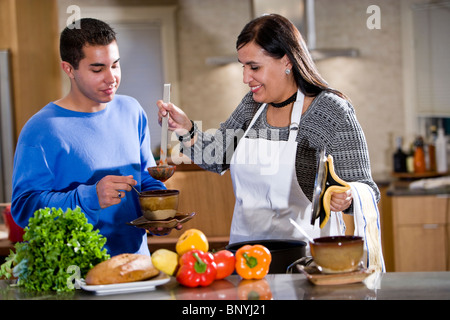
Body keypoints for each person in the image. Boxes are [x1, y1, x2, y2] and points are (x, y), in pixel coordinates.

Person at [157, 14, 380, 249]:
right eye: (243, 66)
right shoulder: (251, 107)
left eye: (254, 67)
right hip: (246, 257)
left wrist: (348, 196)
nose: (245, 77)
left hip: (309, 262)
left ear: (287, 61)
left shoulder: (329, 111)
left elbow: (367, 189)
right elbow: (217, 157)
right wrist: (185, 129)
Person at [11, 18, 171, 257]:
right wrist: (90, 197)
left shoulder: (132, 111)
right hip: (76, 274)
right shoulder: (41, 130)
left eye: (115, 65)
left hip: (137, 266)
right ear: (68, 69)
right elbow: (25, 208)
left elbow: (145, 182)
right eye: (97, 69)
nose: (111, 78)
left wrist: (160, 213)